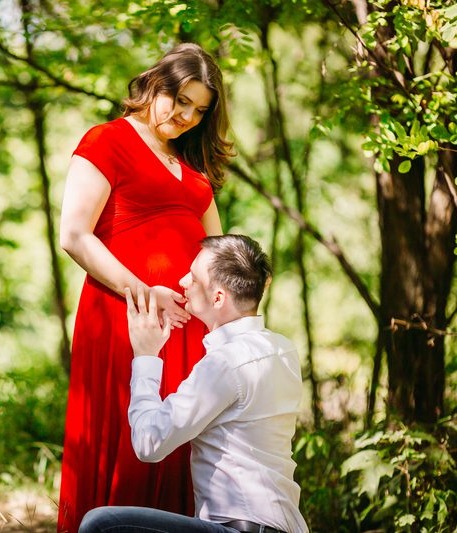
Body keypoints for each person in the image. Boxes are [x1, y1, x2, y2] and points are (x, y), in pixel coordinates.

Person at [58, 43, 235, 532]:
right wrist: (142, 291)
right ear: (156, 83)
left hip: (191, 329)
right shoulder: (106, 140)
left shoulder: (191, 164)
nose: (186, 116)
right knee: (131, 445)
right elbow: (73, 234)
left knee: (182, 448)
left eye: (200, 111)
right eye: (180, 100)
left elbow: (217, 253)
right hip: (127, 317)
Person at [79, 234, 308, 533]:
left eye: (194, 277)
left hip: (239, 528)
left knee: (100, 525)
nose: (183, 281)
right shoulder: (284, 349)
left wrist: (146, 356)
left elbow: (149, 443)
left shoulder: (225, 363)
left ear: (218, 298)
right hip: (286, 526)